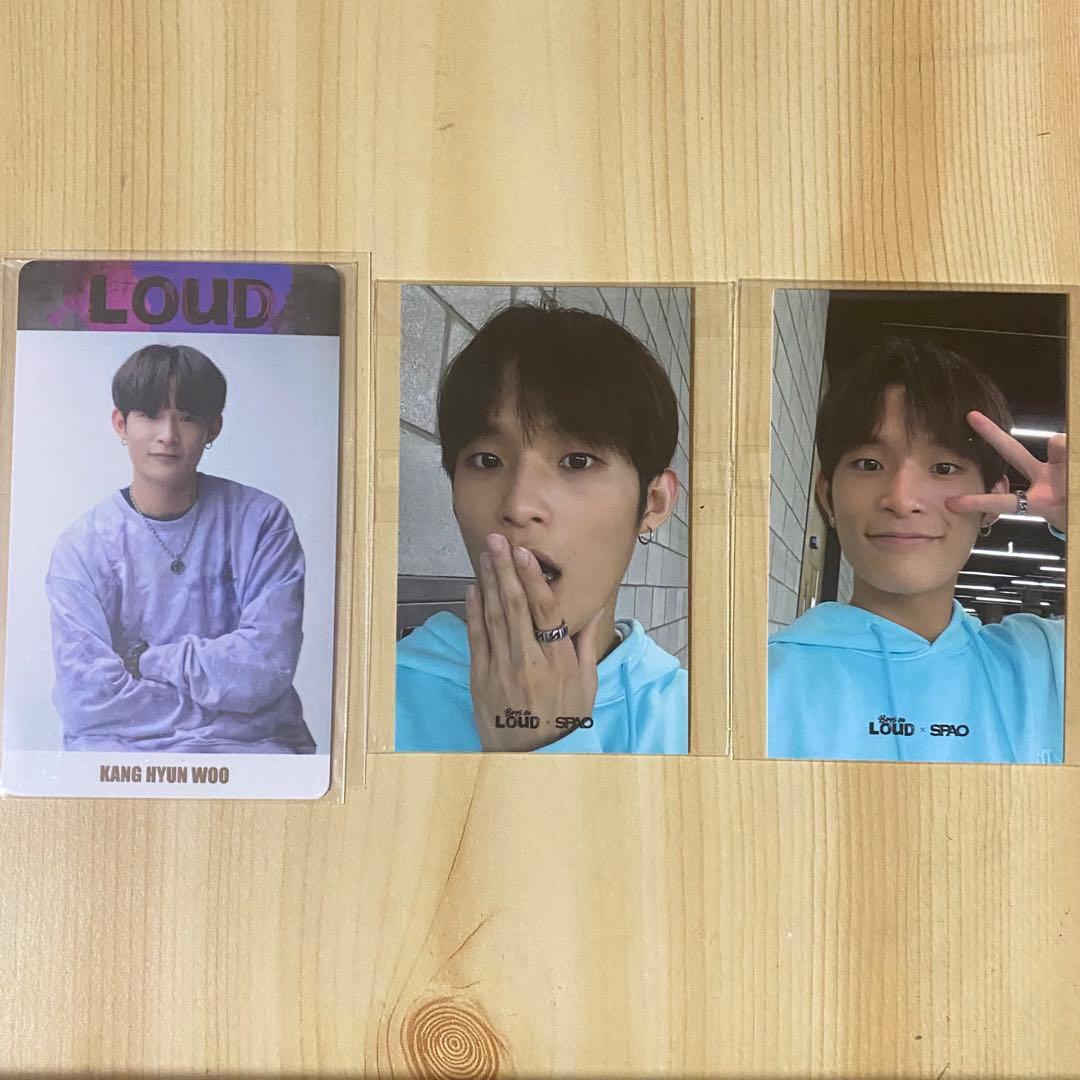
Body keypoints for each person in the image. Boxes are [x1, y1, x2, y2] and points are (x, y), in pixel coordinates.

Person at [395, 302, 688, 753]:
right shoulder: (364, 697)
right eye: (487, 461)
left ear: (653, 502)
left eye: (577, 461)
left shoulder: (693, 726)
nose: (518, 506)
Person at [768, 337, 1066, 763]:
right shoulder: (749, 691)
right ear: (827, 495)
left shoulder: (1047, 668)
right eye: (869, 464)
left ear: (993, 502)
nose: (902, 499)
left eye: (944, 468)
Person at [46, 343, 315, 754]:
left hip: (250, 750)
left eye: (187, 417)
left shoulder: (262, 522)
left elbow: (265, 666)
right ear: (121, 424)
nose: (168, 436)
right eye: (149, 414)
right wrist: (221, 705)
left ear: (213, 428)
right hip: (122, 755)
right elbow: (87, 699)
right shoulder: (82, 547)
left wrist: (146, 661)